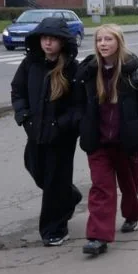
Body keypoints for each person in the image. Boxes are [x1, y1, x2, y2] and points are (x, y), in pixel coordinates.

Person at [75, 25, 138, 257]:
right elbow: (78, 105)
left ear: (119, 42)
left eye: (108, 39)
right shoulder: (89, 74)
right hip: (98, 143)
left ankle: (132, 215)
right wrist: (83, 127)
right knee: (101, 188)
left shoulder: (135, 74)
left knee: (129, 187)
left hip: (126, 143)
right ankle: (97, 236)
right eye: (99, 39)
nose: (103, 44)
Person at [10, 17, 83, 246]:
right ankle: (70, 196)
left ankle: (54, 229)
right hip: (36, 131)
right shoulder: (31, 64)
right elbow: (18, 90)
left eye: (52, 39)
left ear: (62, 42)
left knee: (54, 182)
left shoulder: (73, 68)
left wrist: (62, 125)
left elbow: (80, 105)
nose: (48, 43)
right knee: (35, 167)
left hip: (61, 137)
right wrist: (23, 116)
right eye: (44, 38)